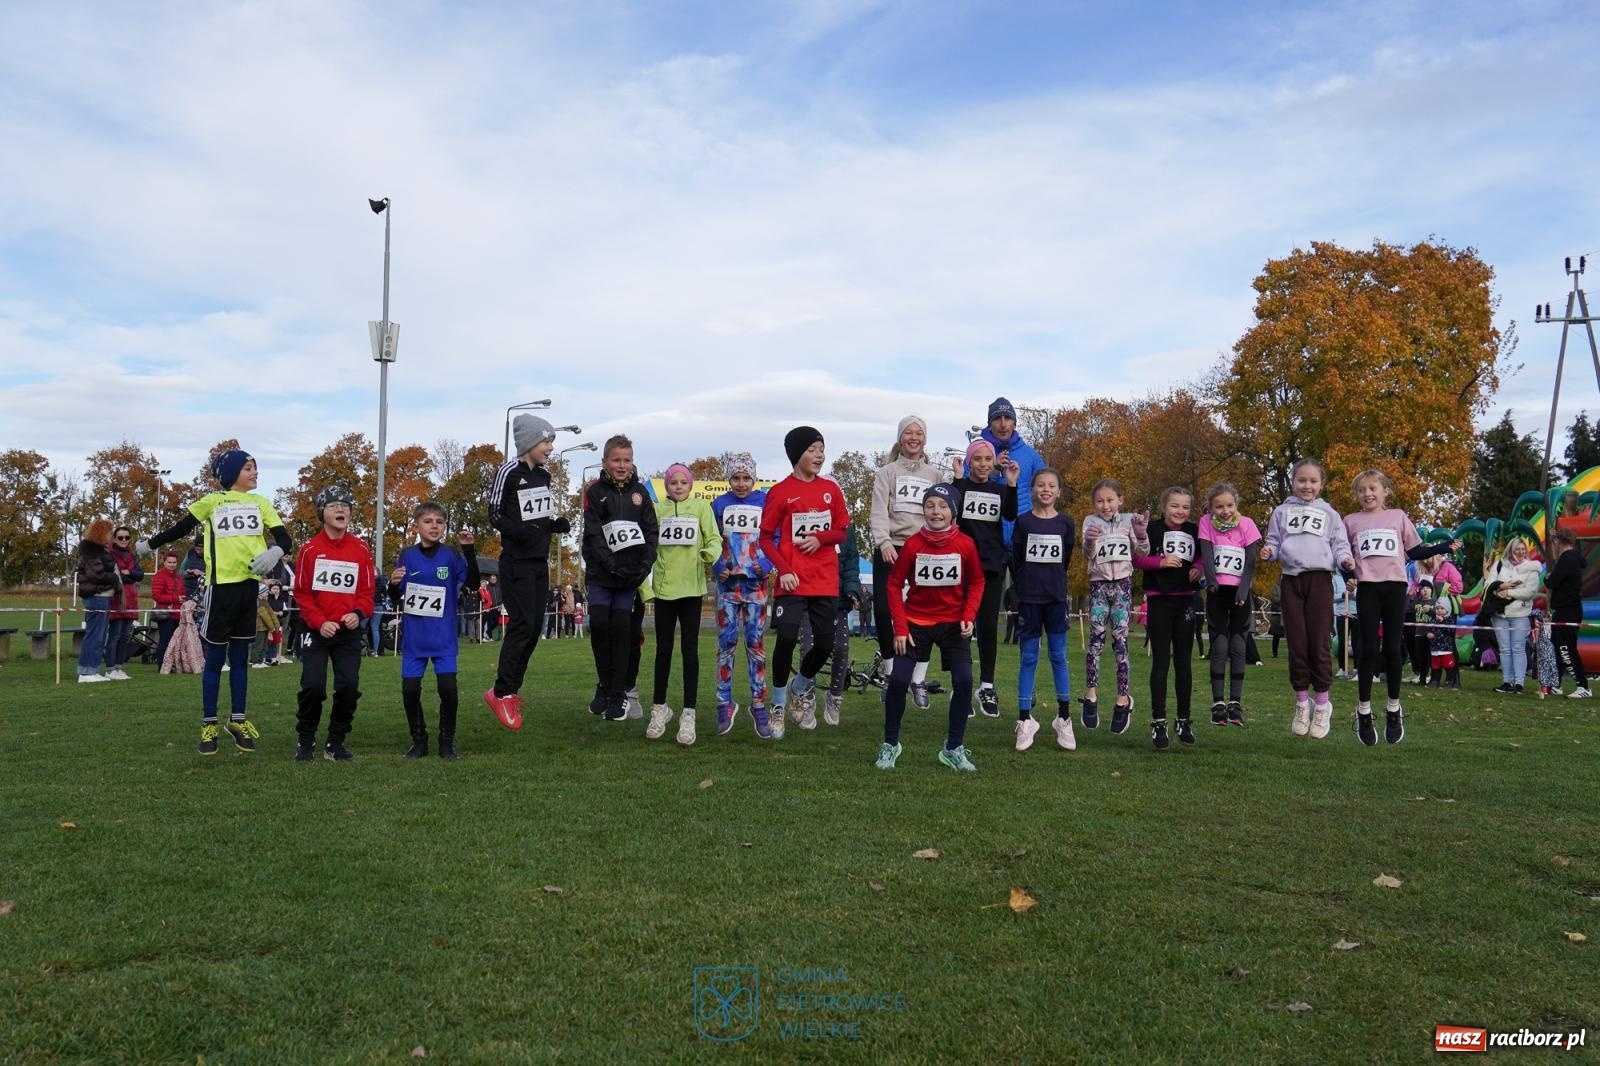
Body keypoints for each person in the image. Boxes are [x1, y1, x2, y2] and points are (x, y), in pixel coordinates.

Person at [139, 449, 293, 755]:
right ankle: (209, 723)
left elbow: (284, 538)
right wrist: (149, 544)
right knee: (214, 659)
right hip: (221, 588)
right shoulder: (213, 501)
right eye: (249, 467)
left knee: (240, 659)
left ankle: (237, 720)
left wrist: (275, 552)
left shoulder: (262, 503)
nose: (255, 472)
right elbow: (181, 528)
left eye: (255, 467)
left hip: (249, 590)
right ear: (231, 473)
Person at [1343, 469, 1460, 744]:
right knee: (1368, 649)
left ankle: (1393, 708)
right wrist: (1348, 577)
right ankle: (1363, 710)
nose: (1368, 494)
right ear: (1356, 495)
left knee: (1394, 648)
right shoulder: (1350, 521)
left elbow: (1415, 551)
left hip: (1395, 588)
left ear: (1385, 491)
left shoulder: (1397, 516)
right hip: (1368, 588)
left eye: (1373, 488)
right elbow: (1343, 557)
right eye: (1362, 490)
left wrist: (1442, 546)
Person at [877, 484, 985, 771]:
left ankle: (953, 748)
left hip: (953, 625)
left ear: (953, 512)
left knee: (963, 681)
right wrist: (900, 627)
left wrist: (969, 616)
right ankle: (890, 744)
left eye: (942, 506)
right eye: (930, 505)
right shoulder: (913, 544)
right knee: (898, 681)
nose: (936, 511)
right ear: (923, 510)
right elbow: (893, 583)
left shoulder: (965, 544)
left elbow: (977, 581)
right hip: (916, 624)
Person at [484, 414, 571, 730]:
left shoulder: (545, 477)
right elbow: (494, 513)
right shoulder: (508, 471)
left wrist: (554, 525)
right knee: (521, 625)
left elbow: (540, 515)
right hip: (516, 562)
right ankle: (502, 691)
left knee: (535, 627)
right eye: (547, 441)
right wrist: (518, 531)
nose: (550, 448)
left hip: (539, 562)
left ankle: (507, 691)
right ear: (530, 442)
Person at [758, 426, 849, 729]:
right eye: (812, 449)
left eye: (822, 448)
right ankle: (780, 702)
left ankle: (800, 685)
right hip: (792, 579)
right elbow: (765, 539)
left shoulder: (831, 489)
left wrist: (821, 538)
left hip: (823, 578)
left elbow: (841, 531)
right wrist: (783, 570)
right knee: (785, 637)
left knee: (824, 645)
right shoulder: (780, 492)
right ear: (796, 454)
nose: (819, 455)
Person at [1258, 458, 1353, 739]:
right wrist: (1269, 552)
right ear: (1293, 482)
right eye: (1301, 480)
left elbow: (1339, 543)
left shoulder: (1330, 514)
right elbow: (1274, 541)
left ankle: (1322, 704)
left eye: (1313, 481)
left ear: (1321, 484)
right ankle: (1302, 702)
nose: (1307, 486)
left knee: (1319, 643)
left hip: (1320, 580)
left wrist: (1346, 559)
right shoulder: (1281, 511)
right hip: (1292, 580)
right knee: (1297, 643)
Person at [388, 499, 479, 759]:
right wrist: (393, 585)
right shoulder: (407, 554)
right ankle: (419, 740)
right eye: (428, 521)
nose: (434, 526)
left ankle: (446, 741)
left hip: (443, 638)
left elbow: (472, 582)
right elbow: (396, 596)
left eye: (439, 522)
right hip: (415, 639)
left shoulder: (450, 554)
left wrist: (469, 550)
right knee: (410, 691)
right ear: (416, 526)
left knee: (448, 689)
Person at [292, 486, 374, 761]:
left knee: (349, 686)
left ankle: (335, 742)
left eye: (345, 506)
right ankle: (305, 740)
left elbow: (367, 593)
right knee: (313, 686)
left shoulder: (361, 548)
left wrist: (358, 613)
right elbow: (301, 592)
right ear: (321, 513)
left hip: (348, 632)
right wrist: (318, 621)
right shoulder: (309, 549)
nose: (341, 510)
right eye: (333, 506)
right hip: (317, 631)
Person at [581, 434, 658, 722]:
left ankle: (618, 693)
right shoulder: (595, 492)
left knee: (622, 629)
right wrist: (611, 564)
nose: (622, 465)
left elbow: (651, 532)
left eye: (627, 460)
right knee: (600, 625)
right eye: (616, 460)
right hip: (603, 575)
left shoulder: (641, 494)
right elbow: (593, 533)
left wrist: (644, 566)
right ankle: (604, 684)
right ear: (605, 462)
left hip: (630, 578)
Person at [645, 463, 723, 745]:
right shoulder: (656, 510)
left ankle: (688, 713)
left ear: (691, 486)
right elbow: (648, 544)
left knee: (690, 650)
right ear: (666, 486)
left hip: (692, 589)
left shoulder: (701, 508)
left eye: (683, 482)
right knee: (663, 650)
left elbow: (714, 538)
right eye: (673, 482)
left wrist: (708, 554)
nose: (678, 486)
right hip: (665, 590)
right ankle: (659, 708)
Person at [869, 415, 941, 704]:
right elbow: (878, 511)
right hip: (891, 549)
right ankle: (890, 673)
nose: (914, 437)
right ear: (900, 438)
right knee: (885, 611)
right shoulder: (886, 473)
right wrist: (884, 541)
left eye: (919, 433)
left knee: (925, 615)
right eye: (908, 433)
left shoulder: (934, 475)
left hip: (923, 550)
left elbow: (941, 512)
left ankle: (918, 678)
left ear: (925, 439)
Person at [950, 437, 1020, 717]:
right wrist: (956, 480)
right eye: (977, 459)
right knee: (963, 628)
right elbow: (951, 511)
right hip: (963, 565)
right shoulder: (962, 487)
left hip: (991, 566)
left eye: (987, 459)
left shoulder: (999, 489)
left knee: (988, 628)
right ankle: (961, 687)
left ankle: (987, 686)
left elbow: (1012, 514)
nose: (982, 464)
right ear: (969, 462)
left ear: (994, 463)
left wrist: (1012, 484)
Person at [1011, 469, 1077, 752]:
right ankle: (1025, 719)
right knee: (1028, 657)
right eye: (1041, 485)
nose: (1046, 489)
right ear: (1032, 490)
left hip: (1055, 598)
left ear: (1059, 491)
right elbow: (1016, 558)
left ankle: (1064, 716)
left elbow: (1066, 559)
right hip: (1029, 598)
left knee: (1058, 656)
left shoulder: (1066, 522)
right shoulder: (1023, 522)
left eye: (1052, 485)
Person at [710, 452, 774, 737]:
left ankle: (758, 704)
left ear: (754, 478)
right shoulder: (719, 504)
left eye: (746, 478)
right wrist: (715, 564)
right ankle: (724, 701)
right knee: (726, 644)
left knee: (755, 644)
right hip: (727, 586)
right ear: (728, 479)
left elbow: (777, 536)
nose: (741, 484)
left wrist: (769, 563)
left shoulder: (765, 502)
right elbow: (709, 538)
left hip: (756, 585)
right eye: (735, 478)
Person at [1133, 486, 1201, 750]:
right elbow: (1137, 559)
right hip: (1159, 599)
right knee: (1161, 663)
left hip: (1185, 600)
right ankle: (1158, 721)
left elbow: (1202, 557)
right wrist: (1159, 563)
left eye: (1185, 507)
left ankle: (1183, 720)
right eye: (1175, 506)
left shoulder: (1194, 531)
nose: (1180, 511)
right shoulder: (1152, 529)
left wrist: (1196, 568)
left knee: (1184, 663)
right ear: (1164, 507)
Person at [1079, 478, 1148, 733]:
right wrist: (1088, 541)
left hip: (1122, 586)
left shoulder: (1130, 520)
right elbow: (1087, 554)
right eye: (1099, 501)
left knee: (1120, 643)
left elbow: (1142, 551)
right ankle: (1091, 695)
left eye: (1110, 500)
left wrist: (1141, 534)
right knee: (1095, 643)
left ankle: (1123, 699)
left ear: (1120, 500)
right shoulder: (1090, 521)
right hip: (1098, 586)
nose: (1105, 505)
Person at [1197, 482, 1261, 728]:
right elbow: (1207, 554)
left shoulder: (1247, 525)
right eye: (1219, 506)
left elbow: (1251, 562)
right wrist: (1211, 583)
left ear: (1237, 504)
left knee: (1238, 646)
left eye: (1230, 505)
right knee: (1220, 645)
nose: (1225, 511)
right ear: (1211, 508)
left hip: (1239, 594)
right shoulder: (1206, 524)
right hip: (1216, 593)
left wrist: (1244, 590)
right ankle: (1217, 704)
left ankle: (1235, 703)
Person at [978, 396, 1046, 557]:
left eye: (1008, 418)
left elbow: (1045, 493)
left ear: (1014, 423)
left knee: (1026, 583)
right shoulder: (977, 453)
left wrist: (1042, 525)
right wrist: (993, 470)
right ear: (989, 424)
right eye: (997, 419)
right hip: (987, 538)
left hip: (1023, 537)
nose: (1003, 424)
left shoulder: (1031, 455)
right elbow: (965, 489)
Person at [1483, 536, 1543, 697]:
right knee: (1504, 649)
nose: (1520, 552)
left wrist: (1508, 592)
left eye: (1523, 549)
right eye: (1517, 549)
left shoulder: (1532, 569)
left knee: (1518, 648)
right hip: (1499, 614)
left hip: (1520, 614)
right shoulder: (1499, 565)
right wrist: (1501, 585)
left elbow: (1529, 592)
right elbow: (1488, 584)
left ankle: (1519, 683)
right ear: (1511, 550)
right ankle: (1507, 681)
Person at [1546, 526, 1591, 698]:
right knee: (1557, 647)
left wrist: (1548, 577)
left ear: (1559, 542)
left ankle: (1583, 686)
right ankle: (1556, 684)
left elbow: (1552, 582)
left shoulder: (1567, 559)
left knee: (1566, 648)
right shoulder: (1572, 558)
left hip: (1567, 610)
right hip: (1565, 609)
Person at [75, 520, 121, 683]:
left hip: (103, 596)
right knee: (95, 635)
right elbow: (97, 574)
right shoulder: (92, 552)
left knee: (99, 635)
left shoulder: (99, 550)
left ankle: (90, 669)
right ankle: (87, 672)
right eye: (109, 532)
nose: (111, 535)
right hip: (97, 597)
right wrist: (114, 578)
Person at [105, 526, 143, 679]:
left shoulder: (132, 556)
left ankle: (119, 667)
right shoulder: (109, 554)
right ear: (114, 539)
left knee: (125, 636)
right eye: (120, 537)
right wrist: (128, 575)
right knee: (114, 635)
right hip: (117, 599)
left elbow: (139, 575)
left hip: (131, 599)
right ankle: (109, 668)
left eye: (126, 537)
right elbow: (115, 575)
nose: (124, 540)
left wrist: (130, 573)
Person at [150, 548, 185, 669]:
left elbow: (183, 592)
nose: (172, 565)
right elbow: (156, 595)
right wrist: (176, 598)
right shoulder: (159, 576)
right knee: (165, 641)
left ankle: (172, 664)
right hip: (165, 614)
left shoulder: (179, 578)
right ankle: (162, 665)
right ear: (164, 562)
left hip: (178, 614)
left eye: (174, 562)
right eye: (169, 562)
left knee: (175, 642)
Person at [1426, 593, 1461, 688]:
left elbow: (1450, 631)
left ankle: (1449, 681)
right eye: (1437, 608)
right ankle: (1435, 680)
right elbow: (1429, 629)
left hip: (1446, 648)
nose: (1439, 610)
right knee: (1435, 666)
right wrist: (1428, 633)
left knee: (1448, 666)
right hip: (1434, 648)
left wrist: (1442, 621)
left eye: (1442, 608)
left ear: (1447, 610)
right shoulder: (1433, 619)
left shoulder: (1449, 620)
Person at [1531, 610, 1562, 697]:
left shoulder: (1541, 620)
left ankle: (1545, 689)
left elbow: (1534, 615)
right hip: (1548, 646)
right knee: (1547, 667)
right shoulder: (1548, 620)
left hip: (1544, 646)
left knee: (1544, 667)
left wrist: (1536, 642)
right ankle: (1547, 688)